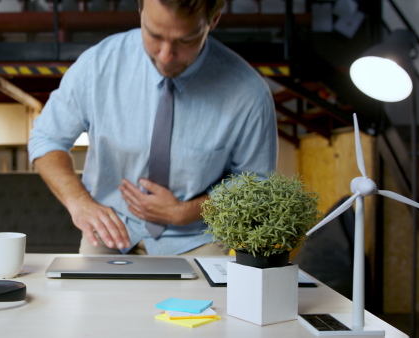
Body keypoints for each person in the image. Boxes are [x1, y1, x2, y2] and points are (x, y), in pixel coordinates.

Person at [28, 0, 277, 256]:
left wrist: (186, 212)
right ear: (140, 10)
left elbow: (256, 185)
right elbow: (46, 139)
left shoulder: (248, 93)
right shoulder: (98, 65)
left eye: (186, 40)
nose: (166, 55)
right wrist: (79, 203)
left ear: (213, 20)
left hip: (195, 238)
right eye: (154, 35)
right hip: (109, 234)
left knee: (208, 296)